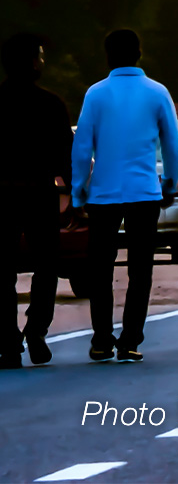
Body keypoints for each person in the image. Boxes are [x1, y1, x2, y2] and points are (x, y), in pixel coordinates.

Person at [72, 28, 178, 362]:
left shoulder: (96, 94)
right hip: (144, 192)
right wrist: (170, 181)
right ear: (139, 53)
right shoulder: (157, 92)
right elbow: (172, 145)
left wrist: (78, 193)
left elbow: (82, 146)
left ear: (107, 56)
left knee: (101, 269)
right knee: (140, 269)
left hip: (104, 193)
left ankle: (102, 338)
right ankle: (131, 338)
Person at [1, 32, 71, 367]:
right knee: (46, 265)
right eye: (40, 56)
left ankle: (6, 341)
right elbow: (64, 154)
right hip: (40, 191)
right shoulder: (51, 104)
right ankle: (36, 330)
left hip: (1, 193)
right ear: (31, 62)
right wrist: (74, 192)